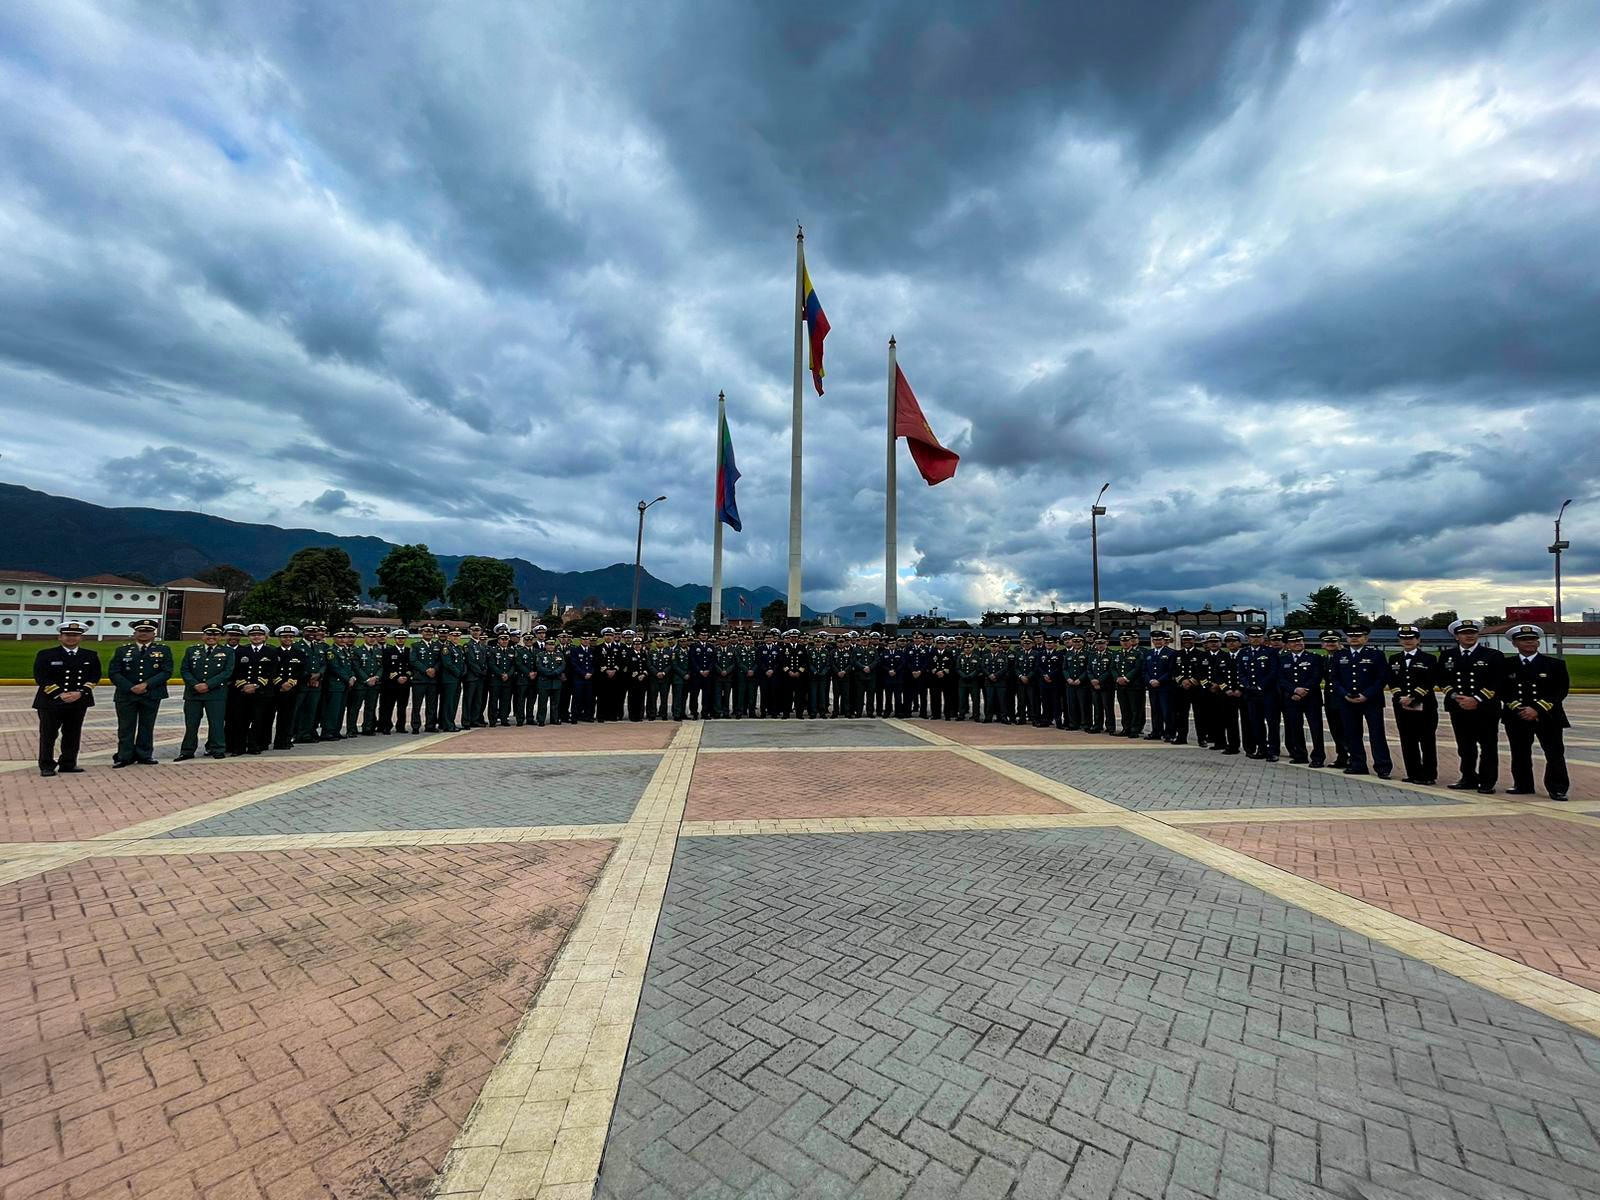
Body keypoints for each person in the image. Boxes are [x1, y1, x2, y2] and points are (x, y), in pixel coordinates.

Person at [1501, 624, 1569, 800]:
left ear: (1538, 642)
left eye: (1532, 639)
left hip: (1548, 716)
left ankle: (1557, 788)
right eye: (1524, 640)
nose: (1529, 642)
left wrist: (1537, 709)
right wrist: (1518, 708)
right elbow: (1502, 690)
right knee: (1519, 752)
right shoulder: (1506, 665)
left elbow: (1560, 691)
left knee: (1554, 753)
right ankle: (1523, 784)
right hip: (1517, 716)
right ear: (1515, 643)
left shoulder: (1555, 664)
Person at [1438, 618, 1503, 794]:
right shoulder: (1447, 656)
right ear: (1456, 636)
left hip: (1485, 708)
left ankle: (1487, 781)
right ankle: (1468, 777)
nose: (1469, 636)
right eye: (1464, 633)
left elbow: (1497, 682)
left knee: (1488, 745)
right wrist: (1455, 696)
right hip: (1458, 707)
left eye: (1472, 633)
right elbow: (1442, 679)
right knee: (1465, 745)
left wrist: (1476, 699)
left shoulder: (1493, 655)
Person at [33, 619, 99, 776]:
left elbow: (94, 676)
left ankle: (68, 763)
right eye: (68, 635)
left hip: (78, 701)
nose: (72, 638)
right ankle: (47, 765)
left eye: (76, 635)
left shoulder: (90, 655)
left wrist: (81, 693)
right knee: (48, 734)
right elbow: (41, 677)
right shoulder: (46, 654)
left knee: (73, 733)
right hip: (51, 701)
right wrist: (59, 694)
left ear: (81, 638)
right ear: (60, 637)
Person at [1329, 623, 1392, 778]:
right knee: (1352, 734)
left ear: (1366, 638)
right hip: (1347, 701)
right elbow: (1334, 679)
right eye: (1351, 636)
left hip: (1371, 701)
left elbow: (1382, 678)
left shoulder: (1376, 654)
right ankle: (1358, 764)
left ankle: (1382, 766)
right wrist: (1344, 694)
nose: (1354, 638)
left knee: (1376, 734)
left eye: (1358, 635)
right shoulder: (1339, 655)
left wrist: (1367, 695)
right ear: (1347, 638)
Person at [109, 618, 173, 767]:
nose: (144, 634)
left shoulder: (163, 650)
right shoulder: (122, 650)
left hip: (151, 693)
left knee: (147, 725)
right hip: (126, 694)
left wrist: (146, 685)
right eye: (141, 631)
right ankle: (124, 756)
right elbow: (114, 672)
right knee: (126, 726)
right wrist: (131, 687)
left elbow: (166, 671)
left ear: (154, 634)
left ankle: (145, 754)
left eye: (148, 631)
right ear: (134, 633)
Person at [1387, 624, 1439, 785]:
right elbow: (1391, 680)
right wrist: (1399, 696)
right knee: (1407, 741)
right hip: (1402, 706)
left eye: (1411, 638)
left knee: (1427, 741)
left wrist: (1413, 696)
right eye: (1404, 638)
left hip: (1424, 706)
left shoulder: (1429, 659)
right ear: (1399, 640)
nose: (1407, 641)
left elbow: (1430, 681)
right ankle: (1413, 772)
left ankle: (1429, 774)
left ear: (1418, 640)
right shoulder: (1394, 659)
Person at [175, 623, 233, 760]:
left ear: (220, 637)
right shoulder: (192, 650)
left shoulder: (227, 652)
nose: (211, 637)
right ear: (203, 636)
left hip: (216, 693)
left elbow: (227, 671)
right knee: (191, 724)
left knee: (216, 723)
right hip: (193, 693)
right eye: (209, 634)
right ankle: (187, 751)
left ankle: (217, 749)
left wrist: (208, 684)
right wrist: (195, 684)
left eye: (215, 634)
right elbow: (185, 670)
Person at [1276, 630, 1326, 766]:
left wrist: (1304, 690)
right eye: (1293, 641)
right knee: (1294, 728)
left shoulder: (1314, 658)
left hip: (1311, 698)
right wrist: (1294, 690)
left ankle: (1318, 757)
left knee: (1315, 728)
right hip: (1291, 698)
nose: (1297, 643)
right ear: (1287, 645)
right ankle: (1300, 755)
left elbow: (1316, 677)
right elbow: (1280, 679)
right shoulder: (1282, 660)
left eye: (1299, 640)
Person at [227, 624, 278, 754]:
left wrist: (256, 685)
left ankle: (254, 745)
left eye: (259, 635)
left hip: (261, 692)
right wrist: (244, 685)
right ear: (248, 637)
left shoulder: (271, 652)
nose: (256, 637)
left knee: (258, 720)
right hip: (242, 691)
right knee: (240, 720)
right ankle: (239, 747)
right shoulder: (240, 652)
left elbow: (272, 672)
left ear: (265, 637)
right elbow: (235, 671)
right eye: (253, 635)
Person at [1238, 625, 1280, 760]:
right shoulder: (1243, 653)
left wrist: (1260, 686)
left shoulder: (1270, 652)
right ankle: (1261, 749)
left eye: (1258, 637)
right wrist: (1247, 686)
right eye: (1253, 637)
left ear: (1263, 638)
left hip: (1268, 693)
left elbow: (1273, 672)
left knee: (1272, 723)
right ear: (1248, 638)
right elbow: (1240, 673)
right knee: (1256, 723)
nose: (1255, 639)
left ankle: (1273, 751)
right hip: (1251, 694)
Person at [268, 625, 308, 750]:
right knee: (269, 717)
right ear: (279, 638)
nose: (287, 639)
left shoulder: (299, 653)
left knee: (287, 717)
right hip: (276, 689)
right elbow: (271, 671)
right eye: (284, 637)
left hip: (292, 690)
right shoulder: (274, 652)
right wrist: (281, 683)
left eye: (290, 637)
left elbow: (302, 671)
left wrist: (290, 683)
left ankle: (284, 740)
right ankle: (265, 740)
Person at [1208, 631, 1245, 753]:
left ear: (1239, 643)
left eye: (1234, 641)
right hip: (1226, 693)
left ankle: (1246, 746)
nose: (1231, 644)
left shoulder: (1245, 655)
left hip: (1243, 693)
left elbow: (1248, 674)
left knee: (1244, 722)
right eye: (1228, 642)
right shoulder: (1223, 657)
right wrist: (1225, 688)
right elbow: (1217, 675)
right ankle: (1227, 744)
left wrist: (1240, 689)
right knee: (1227, 720)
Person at [1319, 631, 1350, 769]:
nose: (1330, 644)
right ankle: (1342, 757)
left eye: (1333, 641)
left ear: (1339, 643)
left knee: (1347, 730)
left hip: (1344, 699)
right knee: (1335, 730)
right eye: (1327, 642)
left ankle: (1352, 757)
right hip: (1331, 699)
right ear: (1322, 644)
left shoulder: (1347, 657)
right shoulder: (1325, 659)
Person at [1170, 630, 1205, 746]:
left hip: (1196, 689)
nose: (1187, 642)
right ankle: (1181, 737)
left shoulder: (1201, 654)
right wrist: (1182, 680)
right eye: (1185, 640)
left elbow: (1202, 672)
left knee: (1199, 715)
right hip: (1181, 689)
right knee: (1180, 714)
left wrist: (1191, 681)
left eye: (1189, 639)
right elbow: (1173, 670)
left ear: (1194, 640)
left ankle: (1201, 739)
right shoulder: (1177, 654)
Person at [409, 624, 443, 732]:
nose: (428, 633)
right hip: (419, 680)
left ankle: (430, 725)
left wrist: (434, 669)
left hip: (433, 680)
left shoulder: (438, 645)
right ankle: (415, 726)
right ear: (421, 632)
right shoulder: (415, 645)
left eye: (431, 631)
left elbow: (440, 660)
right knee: (417, 705)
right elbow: (413, 660)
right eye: (426, 631)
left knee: (432, 705)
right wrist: (426, 670)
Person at [1143, 630, 1176, 740]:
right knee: (1155, 710)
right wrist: (1150, 680)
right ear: (1152, 640)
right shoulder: (1148, 653)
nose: (1157, 642)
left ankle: (1169, 733)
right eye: (1155, 640)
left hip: (1165, 687)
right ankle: (1156, 731)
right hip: (1152, 687)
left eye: (1160, 640)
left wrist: (1160, 681)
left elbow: (1171, 671)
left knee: (1167, 711)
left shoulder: (1171, 653)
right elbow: (1145, 670)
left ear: (1164, 640)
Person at [379, 629, 412, 733]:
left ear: (406, 639)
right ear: (394, 639)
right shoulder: (388, 651)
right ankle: (386, 726)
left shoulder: (408, 651)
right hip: (391, 683)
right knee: (388, 706)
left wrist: (407, 676)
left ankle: (400, 726)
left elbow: (411, 666)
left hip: (405, 683)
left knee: (402, 706)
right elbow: (387, 667)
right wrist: (397, 677)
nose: (401, 640)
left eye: (403, 638)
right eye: (398, 638)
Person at [438, 628, 466, 732]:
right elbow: (448, 664)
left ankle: (451, 722)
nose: (456, 638)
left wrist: (463, 672)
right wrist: (459, 673)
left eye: (458, 636)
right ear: (449, 637)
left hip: (457, 679)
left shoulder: (459, 648)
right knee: (448, 703)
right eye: (454, 636)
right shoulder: (446, 648)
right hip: (449, 679)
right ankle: (447, 724)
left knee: (454, 703)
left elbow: (463, 662)